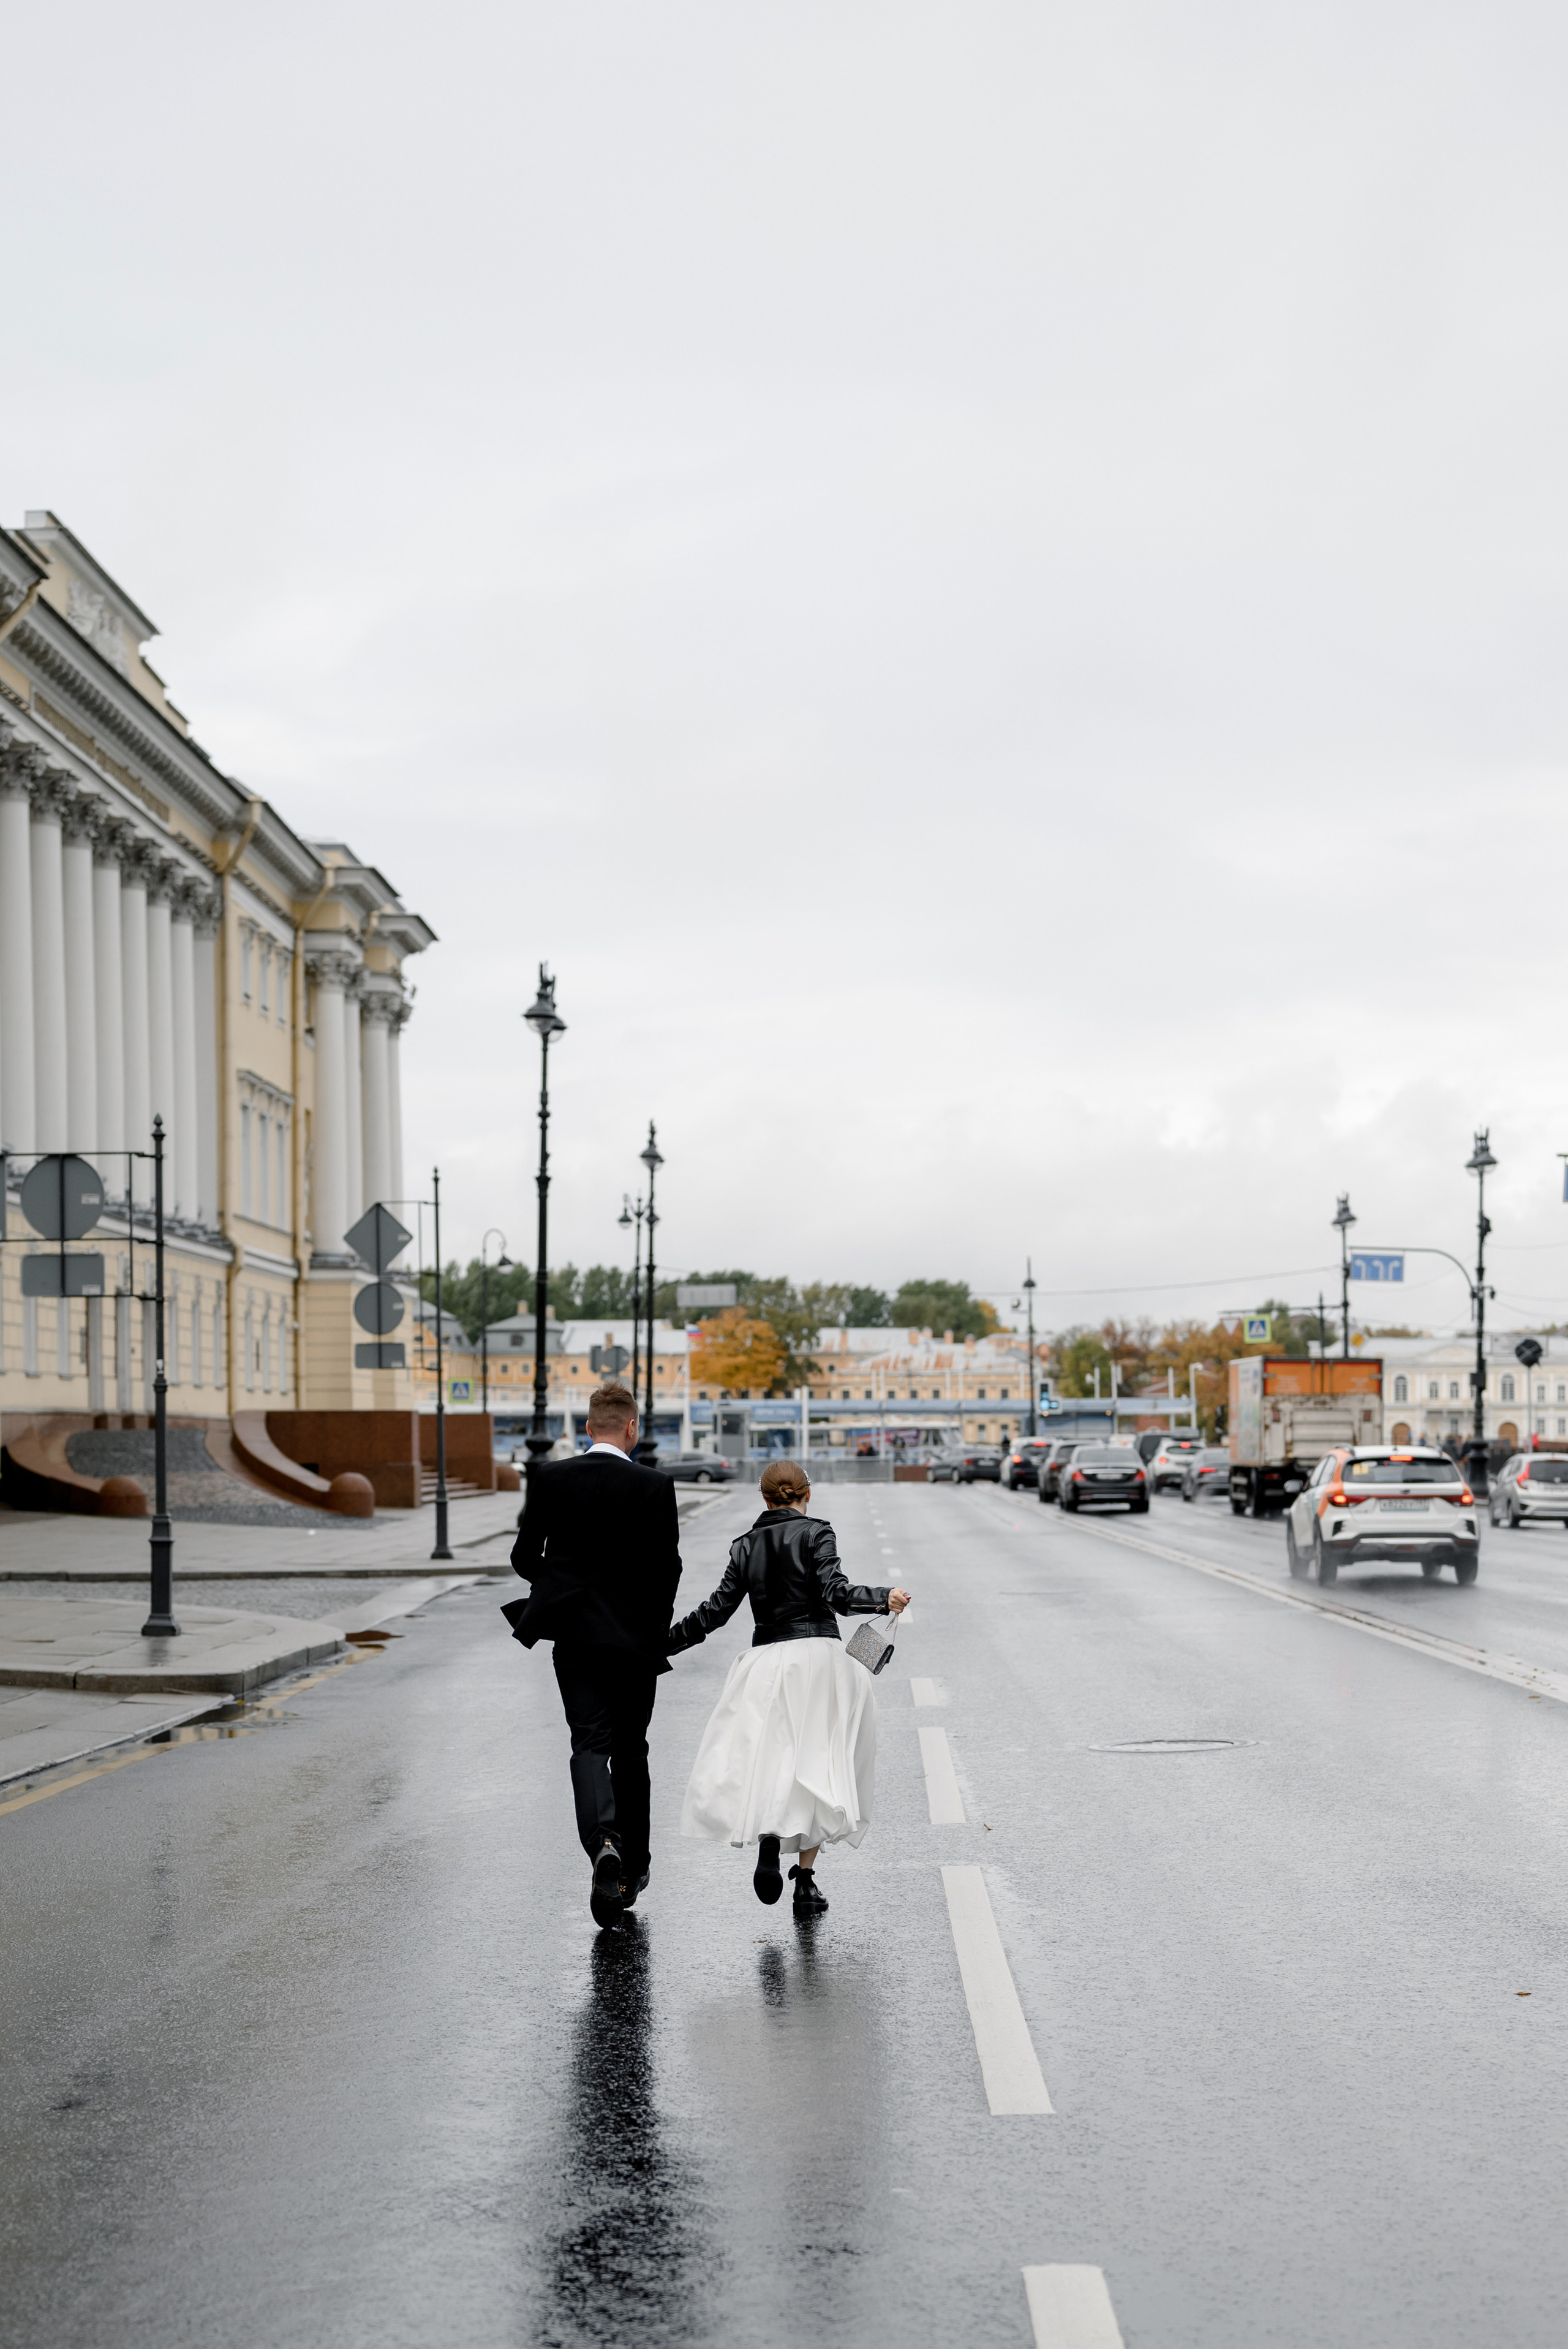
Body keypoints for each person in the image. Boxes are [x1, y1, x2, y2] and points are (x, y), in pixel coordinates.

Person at [666, 1459, 910, 1915]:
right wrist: (883, 1597)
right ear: (807, 1494)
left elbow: (716, 1611)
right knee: (817, 1761)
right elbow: (836, 1593)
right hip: (820, 1660)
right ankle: (805, 1881)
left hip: (765, 1662)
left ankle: (770, 1837)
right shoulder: (817, 1532)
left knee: (775, 1758)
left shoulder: (745, 1545)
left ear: (764, 1498)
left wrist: (663, 1643)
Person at [503, 1380, 682, 1929]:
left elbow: (523, 1556)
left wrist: (561, 1589)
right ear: (632, 1428)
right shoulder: (655, 1486)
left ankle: (602, 1841)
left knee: (589, 1744)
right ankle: (633, 1867)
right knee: (631, 1750)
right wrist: (649, 1624)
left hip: (576, 1639)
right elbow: (667, 1569)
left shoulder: (550, 1478)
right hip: (633, 1641)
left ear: (588, 1427)